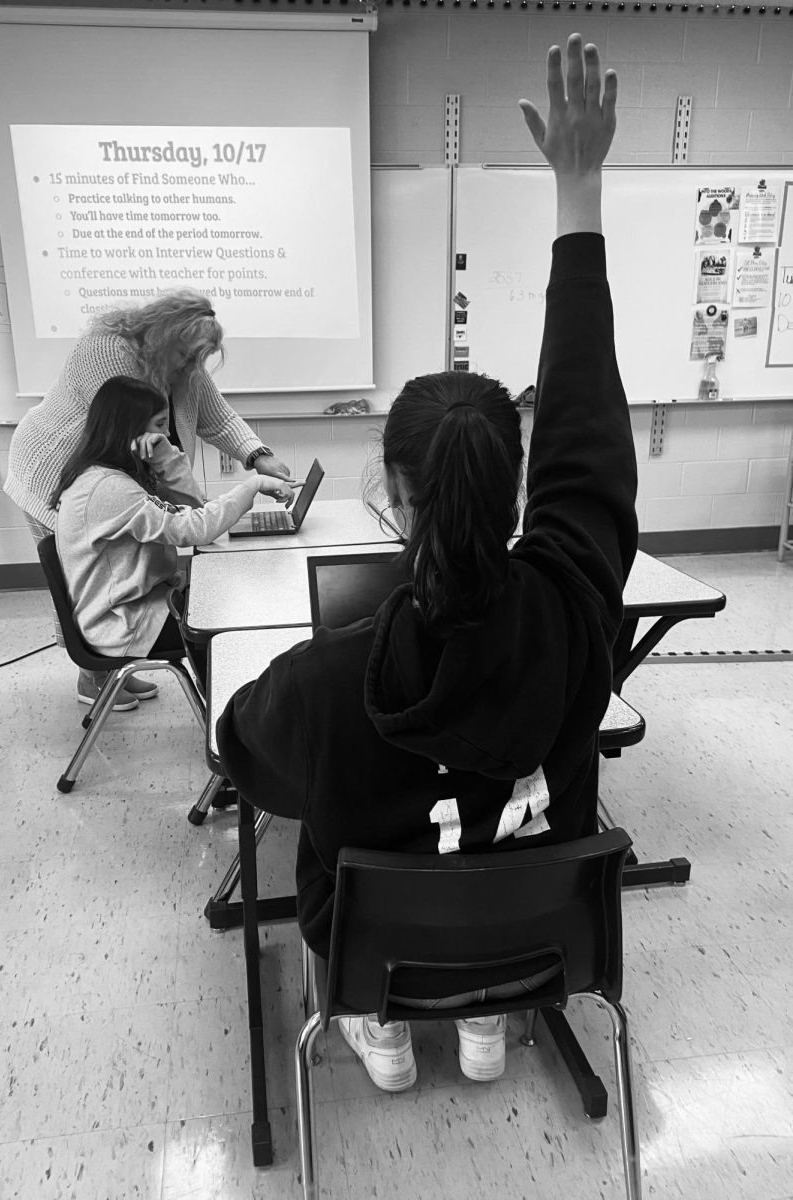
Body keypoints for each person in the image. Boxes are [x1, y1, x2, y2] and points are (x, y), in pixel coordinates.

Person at [216, 36, 637, 1091]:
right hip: (539, 941)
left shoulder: (323, 684)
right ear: (517, 494)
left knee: (337, 847)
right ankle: (494, 1022)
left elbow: (245, 758)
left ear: (395, 496)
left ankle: (387, 1029)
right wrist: (578, 190)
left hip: (377, 958)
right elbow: (589, 422)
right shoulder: (580, 616)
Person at [5, 290, 290, 707]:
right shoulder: (110, 359)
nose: (193, 368)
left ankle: (119, 661)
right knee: (90, 579)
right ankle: (101, 671)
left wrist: (257, 456)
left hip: (109, 484)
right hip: (50, 471)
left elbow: (217, 416)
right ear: (164, 336)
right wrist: (237, 492)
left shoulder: (179, 365)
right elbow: (139, 444)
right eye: (187, 356)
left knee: (122, 571)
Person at [52, 376, 296, 706]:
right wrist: (251, 487)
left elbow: (196, 509)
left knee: (221, 592)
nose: (166, 434)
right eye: (158, 425)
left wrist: (165, 458)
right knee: (225, 619)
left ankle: (244, 707)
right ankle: (234, 717)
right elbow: (193, 530)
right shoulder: (108, 488)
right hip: (121, 623)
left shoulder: (113, 475)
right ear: (130, 428)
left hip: (137, 605)